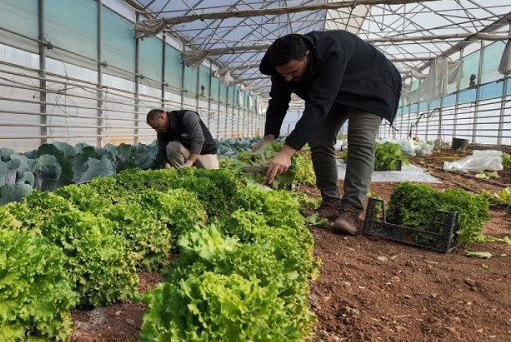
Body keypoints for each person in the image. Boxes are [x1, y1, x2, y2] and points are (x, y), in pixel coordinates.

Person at [253, 30, 401, 235]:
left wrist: (287, 152)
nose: (288, 78)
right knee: (319, 138)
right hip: (336, 91)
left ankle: (350, 209)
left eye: (293, 72)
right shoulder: (280, 66)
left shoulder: (332, 52)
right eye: (283, 73)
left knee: (360, 140)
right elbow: (278, 100)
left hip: (371, 86)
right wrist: (270, 135)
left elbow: (318, 105)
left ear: (306, 55)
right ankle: (330, 202)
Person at [146, 108, 219, 169]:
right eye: (154, 128)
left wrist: (189, 163)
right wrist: (166, 164)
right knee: (172, 147)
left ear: (162, 117)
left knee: (211, 174)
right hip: (187, 152)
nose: (156, 130)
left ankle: (188, 167)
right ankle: (181, 174)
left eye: (157, 126)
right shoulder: (162, 131)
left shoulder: (188, 116)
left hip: (204, 151)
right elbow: (162, 152)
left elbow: (198, 139)